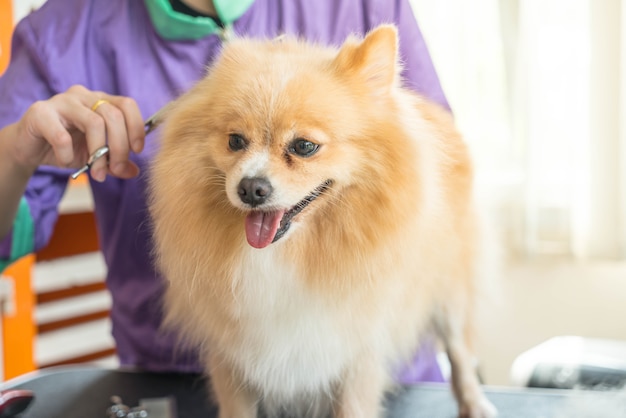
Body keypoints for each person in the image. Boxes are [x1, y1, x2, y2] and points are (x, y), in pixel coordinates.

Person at [0, 0, 449, 382]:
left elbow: (443, 178)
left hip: (374, 367)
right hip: (187, 373)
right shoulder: (63, 33)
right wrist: (12, 153)